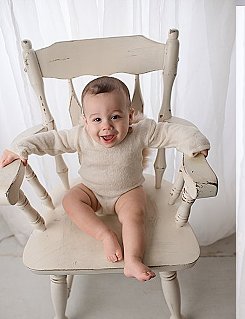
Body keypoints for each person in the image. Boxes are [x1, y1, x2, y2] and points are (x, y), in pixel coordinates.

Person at [0, 76, 210, 281]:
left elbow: (169, 133)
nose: (106, 126)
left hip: (128, 191)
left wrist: (195, 143)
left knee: (134, 216)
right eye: (97, 119)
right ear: (85, 121)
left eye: (115, 117)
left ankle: (133, 260)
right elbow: (51, 141)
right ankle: (104, 234)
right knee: (70, 200)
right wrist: (21, 148)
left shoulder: (140, 132)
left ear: (130, 115)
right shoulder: (80, 135)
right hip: (91, 191)